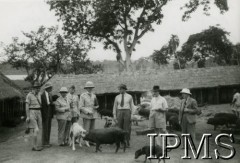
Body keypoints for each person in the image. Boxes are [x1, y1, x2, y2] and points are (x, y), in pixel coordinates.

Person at [79, 81, 99, 146]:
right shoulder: (83, 95)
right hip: (86, 114)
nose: (90, 89)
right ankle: (86, 141)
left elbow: (96, 104)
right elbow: (81, 106)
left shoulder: (94, 95)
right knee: (86, 128)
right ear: (86, 88)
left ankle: (92, 141)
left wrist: (96, 107)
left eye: (91, 87)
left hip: (93, 114)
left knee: (92, 129)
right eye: (88, 88)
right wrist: (87, 111)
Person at [25, 82, 43, 151]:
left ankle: (36, 145)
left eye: (38, 87)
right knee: (36, 129)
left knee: (38, 130)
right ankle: (35, 146)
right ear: (33, 88)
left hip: (39, 112)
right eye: (36, 87)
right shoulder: (29, 95)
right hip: (32, 112)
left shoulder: (39, 94)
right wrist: (28, 116)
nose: (37, 89)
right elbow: (27, 106)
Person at [41, 83, 53, 148]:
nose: (51, 88)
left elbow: (51, 104)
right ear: (47, 88)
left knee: (49, 128)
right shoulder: (42, 95)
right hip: (45, 113)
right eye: (50, 87)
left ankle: (47, 142)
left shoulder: (50, 94)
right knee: (45, 128)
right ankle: (44, 143)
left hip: (49, 113)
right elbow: (42, 106)